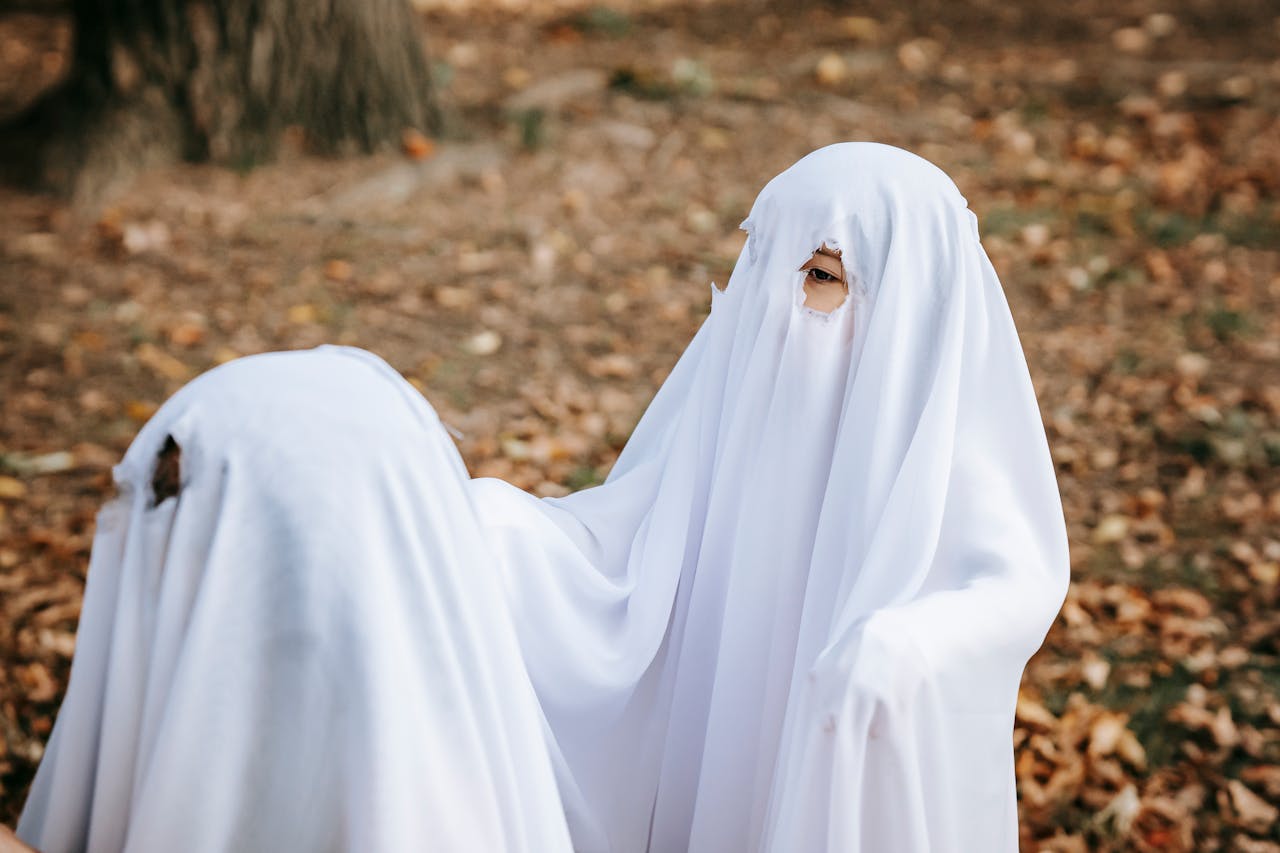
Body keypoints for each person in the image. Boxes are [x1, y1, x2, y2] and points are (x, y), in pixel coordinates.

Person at [13, 142, 1069, 852]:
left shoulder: (947, 423)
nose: (775, 310)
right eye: (761, 270)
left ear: (907, 297)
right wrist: (483, 528)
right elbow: (630, 537)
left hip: (864, 733)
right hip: (720, 712)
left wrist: (912, 642)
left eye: (820, 279)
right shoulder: (744, 376)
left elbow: (1014, 577)